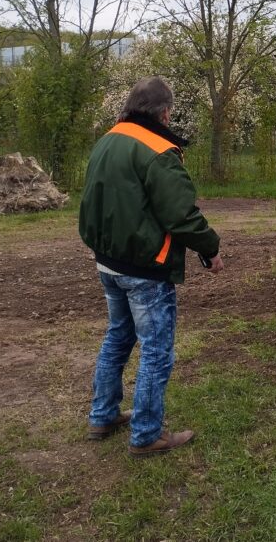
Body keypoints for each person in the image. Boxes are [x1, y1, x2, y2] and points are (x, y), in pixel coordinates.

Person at [80, 76, 222, 458]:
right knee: (156, 350)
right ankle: (145, 435)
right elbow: (181, 215)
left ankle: (103, 415)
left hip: (108, 262)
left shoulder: (108, 139)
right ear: (164, 112)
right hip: (144, 269)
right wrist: (210, 248)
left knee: (118, 337)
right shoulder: (158, 150)